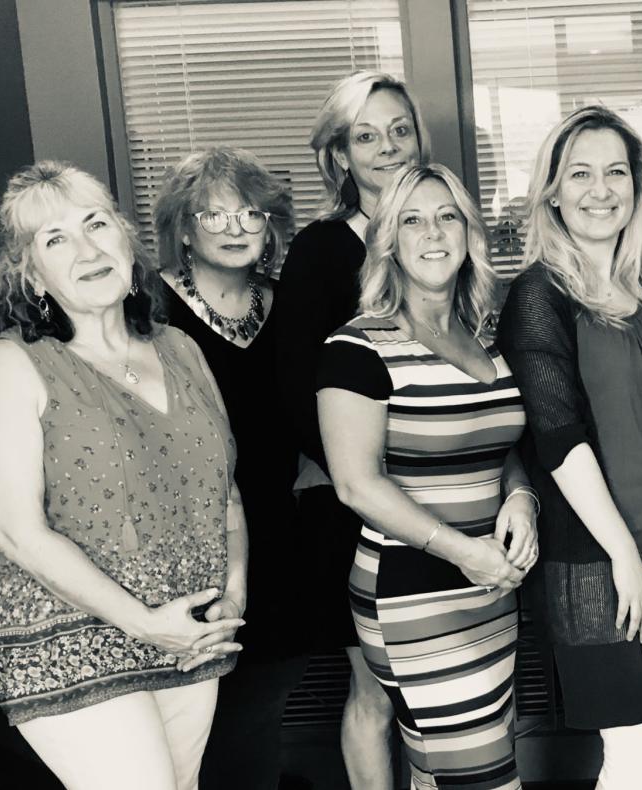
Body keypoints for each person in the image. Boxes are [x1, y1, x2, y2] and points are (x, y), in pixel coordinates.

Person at [0, 161, 246, 790]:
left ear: (126, 239)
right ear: (31, 275)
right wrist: (143, 621)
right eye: (55, 239)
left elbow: (226, 496)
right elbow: (14, 531)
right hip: (65, 637)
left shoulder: (181, 349)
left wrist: (233, 597)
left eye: (96, 224)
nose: (86, 248)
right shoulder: (8, 365)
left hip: (188, 633)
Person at [498, 106, 642, 790]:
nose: (599, 189)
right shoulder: (537, 295)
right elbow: (557, 439)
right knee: (639, 753)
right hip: (600, 561)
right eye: (579, 173)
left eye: (616, 172)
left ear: (637, 187)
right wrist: (622, 556)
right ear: (551, 190)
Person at [317, 163, 532, 790]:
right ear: (389, 240)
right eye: (413, 219)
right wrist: (464, 551)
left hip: (491, 584)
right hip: (413, 593)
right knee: (479, 776)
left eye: (447, 217)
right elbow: (357, 485)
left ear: (469, 232)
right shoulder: (357, 350)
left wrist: (522, 500)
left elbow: (499, 446)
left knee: (448, 770)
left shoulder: (480, 337)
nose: (433, 233)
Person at [273, 69, 429, 788]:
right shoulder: (321, 249)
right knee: (374, 687)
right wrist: (365, 475)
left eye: (400, 129)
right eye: (366, 136)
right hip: (351, 505)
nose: (388, 147)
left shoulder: (442, 232)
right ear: (339, 155)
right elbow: (296, 387)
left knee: (437, 689)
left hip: (446, 495)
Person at [153, 147, 305, 790]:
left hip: (280, 532)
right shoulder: (150, 309)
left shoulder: (291, 302)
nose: (237, 226)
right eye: (213, 215)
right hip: (188, 535)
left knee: (259, 713)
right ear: (183, 229)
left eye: (250, 212)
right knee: (190, 724)